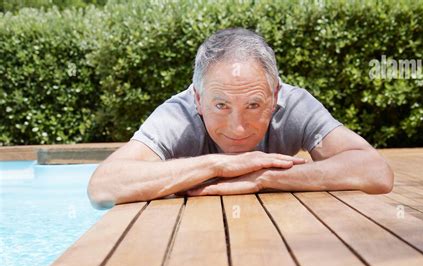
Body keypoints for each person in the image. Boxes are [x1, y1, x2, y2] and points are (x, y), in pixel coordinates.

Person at [88, 27, 394, 209]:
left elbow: (376, 172)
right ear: (197, 98)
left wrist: (263, 178)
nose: (237, 128)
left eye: (253, 105)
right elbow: (103, 188)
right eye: (220, 105)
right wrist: (218, 165)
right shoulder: (179, 115)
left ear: (275, 95)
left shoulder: (293, 105)